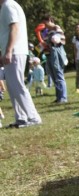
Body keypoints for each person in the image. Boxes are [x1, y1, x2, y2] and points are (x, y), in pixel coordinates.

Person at [0, 0, 42, 128]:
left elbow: (14, 27)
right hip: (13, 51)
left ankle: (33, 117)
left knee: (17, 85)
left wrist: (8, 50)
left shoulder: (8, 5)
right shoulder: (8, 6)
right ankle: (21, 117)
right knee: (12, 87)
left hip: (15, 51)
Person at [40, 14, 68, 104]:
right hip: (49, 55)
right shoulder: (47, 31)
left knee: (59, 76)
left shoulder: (57, 28)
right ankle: (58, 97)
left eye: (45, 23)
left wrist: (56, 39)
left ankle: (63, 98)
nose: (44, 25)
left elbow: (62, 40)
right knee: (53, 76)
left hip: (56, 55)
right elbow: (45, 43)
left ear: (49, 20)